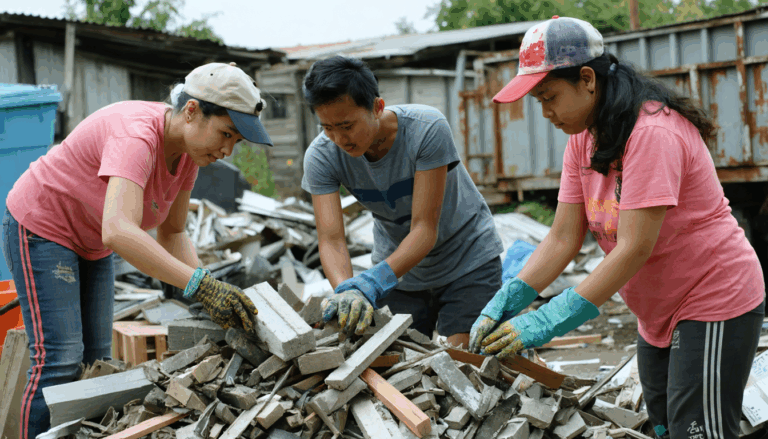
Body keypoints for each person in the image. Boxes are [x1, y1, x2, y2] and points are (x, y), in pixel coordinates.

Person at [469, 15, 765, 439]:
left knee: (698, 432)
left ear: (587, 79)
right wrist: (508, 299)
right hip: (657, 312)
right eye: (538, 102)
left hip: (713, 298)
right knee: (663, 427)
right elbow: (563, 237)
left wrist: (549, 319)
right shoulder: (582, 138)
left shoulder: (652, 133)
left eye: (550, 97)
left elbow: (632, 248)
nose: (546, 112)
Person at [2, 62, 272, 438]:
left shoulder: (189, 154)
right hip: (43, 227)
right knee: (60, 360)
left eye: (236, 141)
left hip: (91, 239)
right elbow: (118, 230)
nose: (227, 150)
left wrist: (208, 289)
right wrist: (199, 284)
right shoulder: (137, 136)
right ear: (191, 111)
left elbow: (173, 233)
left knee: (98, 365)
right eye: (225, 133)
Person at [300, 55, 504, 348]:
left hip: (467, 261)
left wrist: (371, 282)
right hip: (398, 272)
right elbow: (331, 240)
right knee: (402, 362)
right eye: (327, 128)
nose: (339, 139)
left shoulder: (426, 129)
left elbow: (424, 229)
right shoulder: (321, 156)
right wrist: (348, 291)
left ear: (377, 107)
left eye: (347, 125)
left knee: (461, 361)